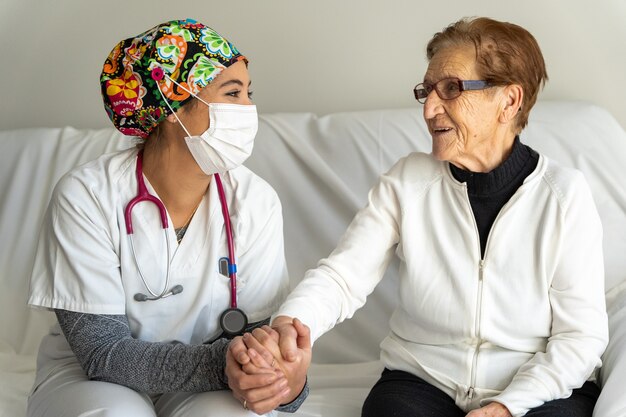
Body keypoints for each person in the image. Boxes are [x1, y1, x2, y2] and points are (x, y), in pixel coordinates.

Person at [228, 16, 609, 417]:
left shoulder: (564, 195)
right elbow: (343, 276)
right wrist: (289, 326)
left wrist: (507, 406)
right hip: (424, 382)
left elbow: (580, 338)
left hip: (537, 386)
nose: (429, 108)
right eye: (426, 91)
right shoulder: (408, 181)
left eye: (451, 89)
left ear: (509, 101)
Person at [27, 18, 306, 417]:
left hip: (208, 379)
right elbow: (102, 353)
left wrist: (281, 381)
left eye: (249, 93)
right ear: (173, 105)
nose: (250, 109)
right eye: (233, 93)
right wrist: (227, 365)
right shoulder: (87, 195)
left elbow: (259, 339)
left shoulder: (255, 201)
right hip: (94, 378)